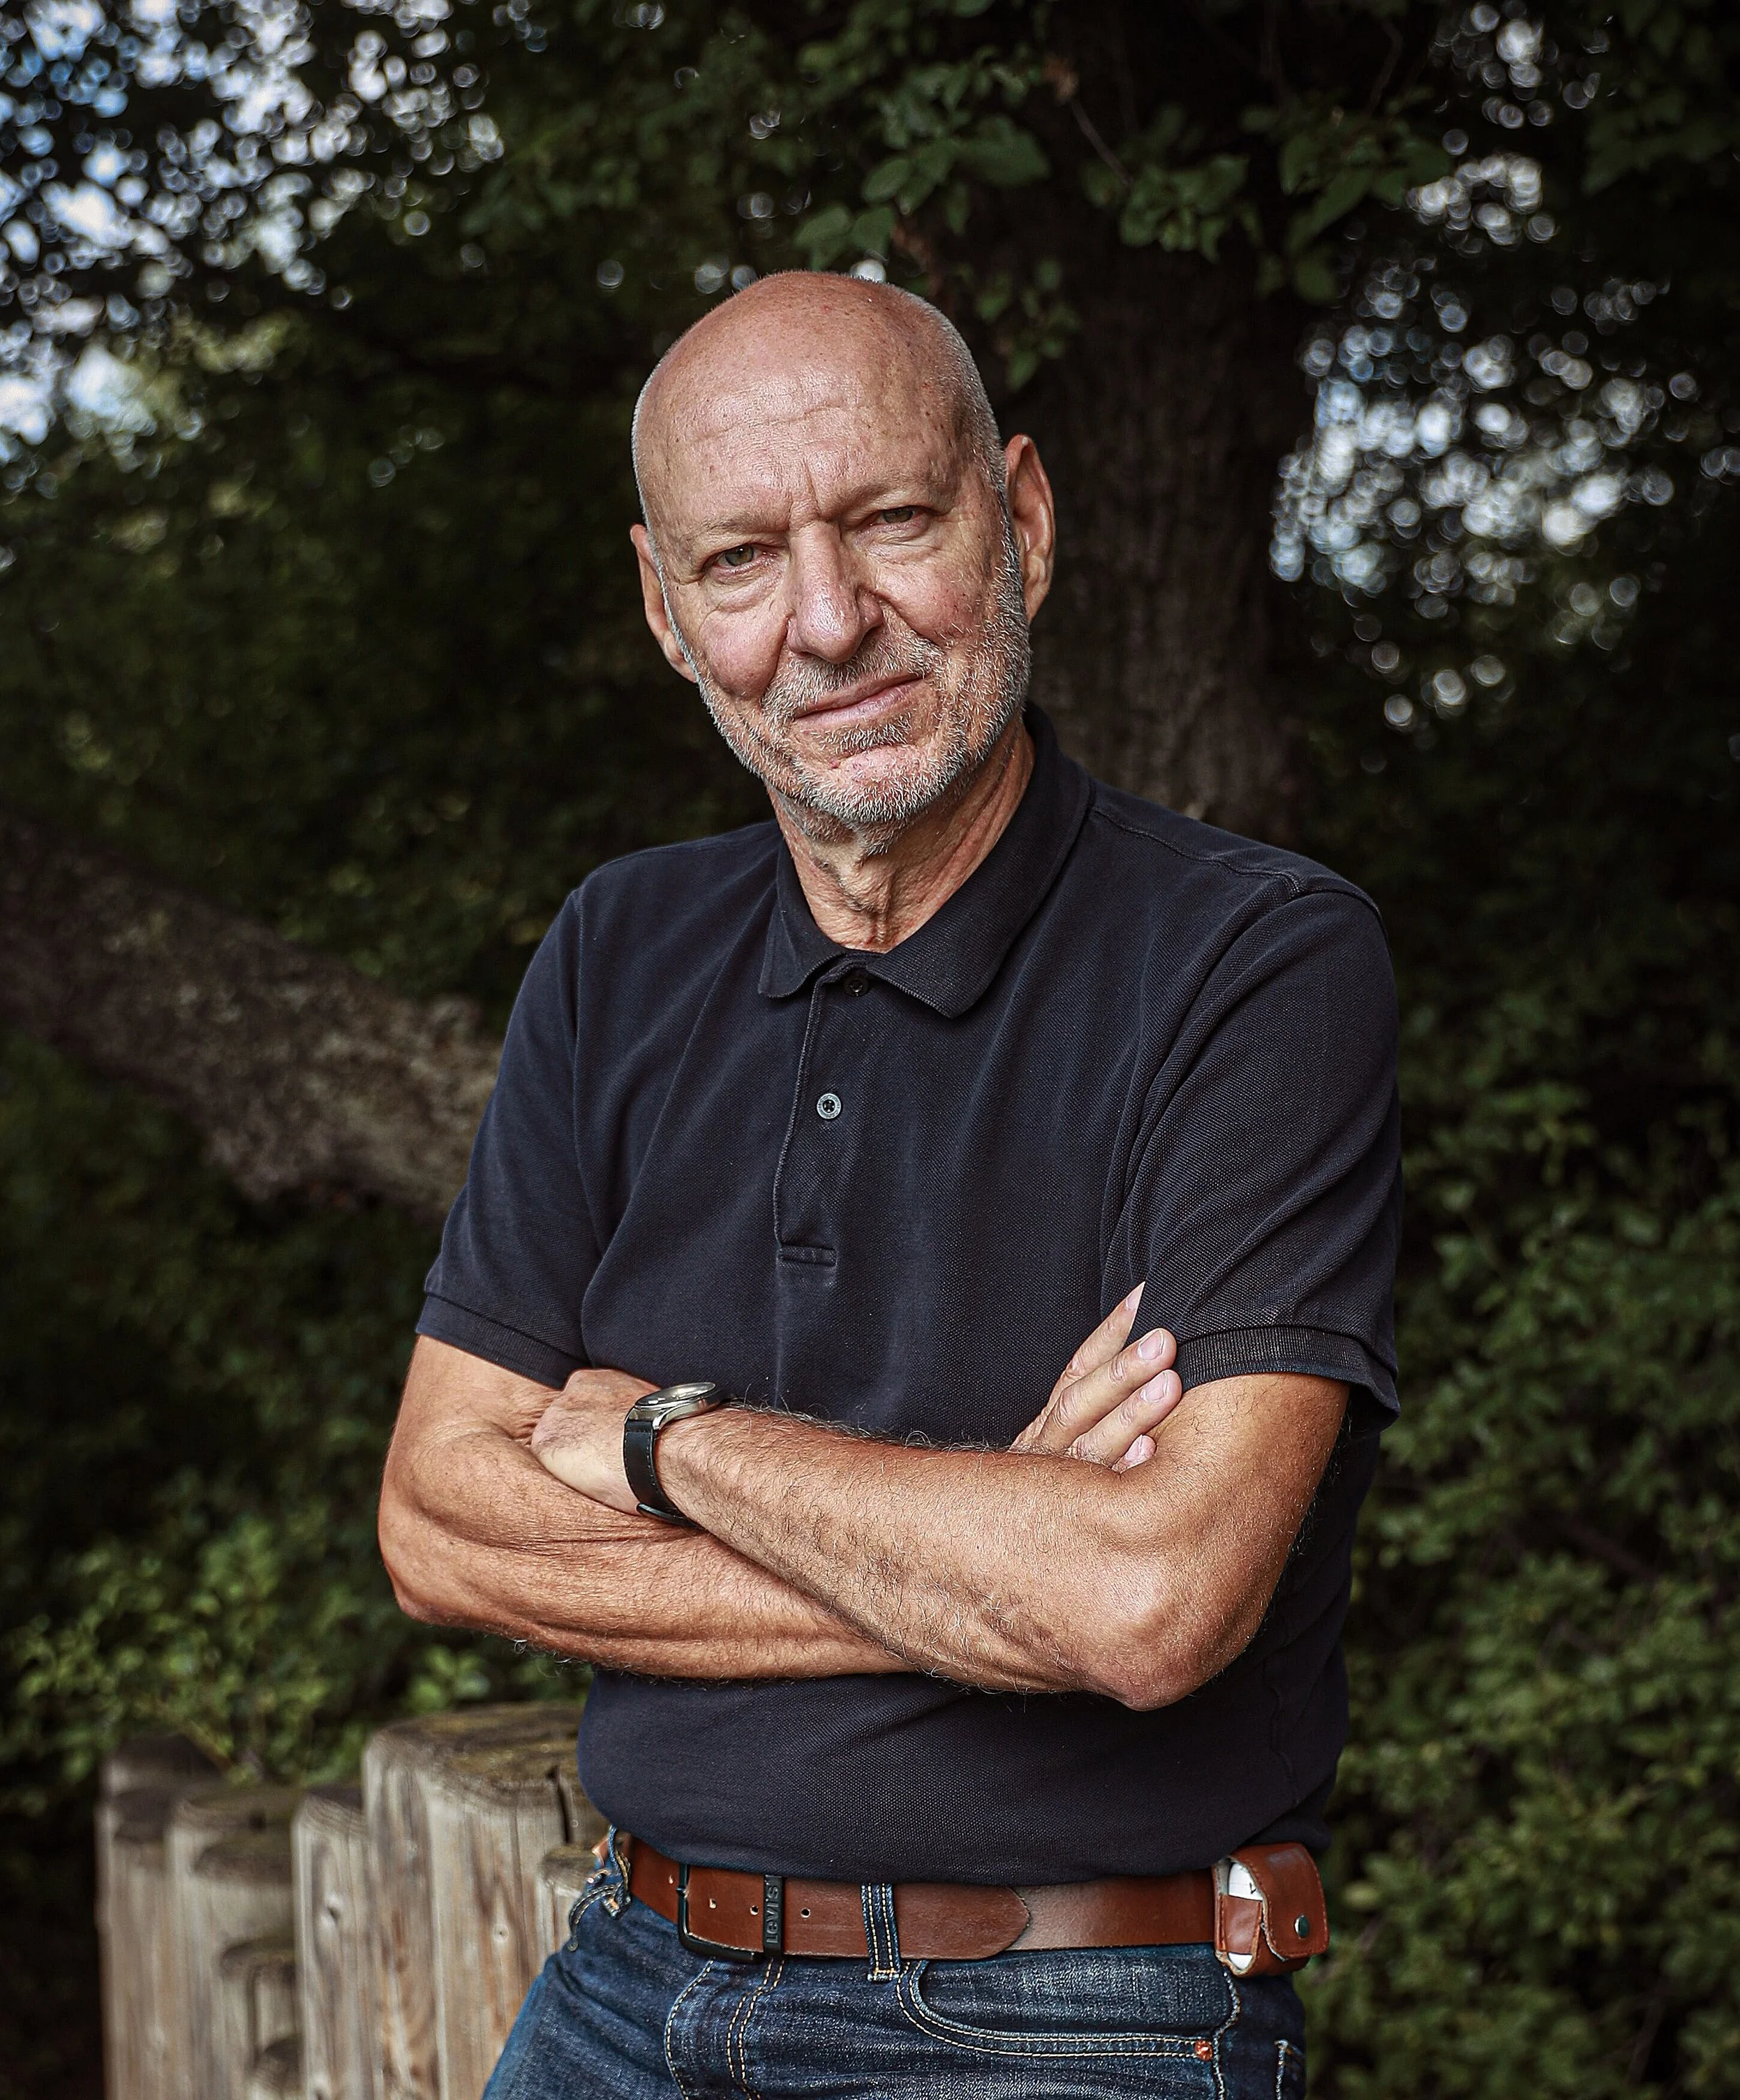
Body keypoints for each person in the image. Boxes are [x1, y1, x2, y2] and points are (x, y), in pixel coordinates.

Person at [378, 269, 1401, 2099]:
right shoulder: (618, 949)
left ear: (1019, 517)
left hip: (1071, 2004)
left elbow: (1150, 1607)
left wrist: (662, 1444)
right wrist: (1003, 1543)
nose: (828, 623)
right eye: (743, 562)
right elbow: (436, 1525)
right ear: (662, 607)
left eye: (891, 523)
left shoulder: (1255, 960)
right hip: (627, 1974)